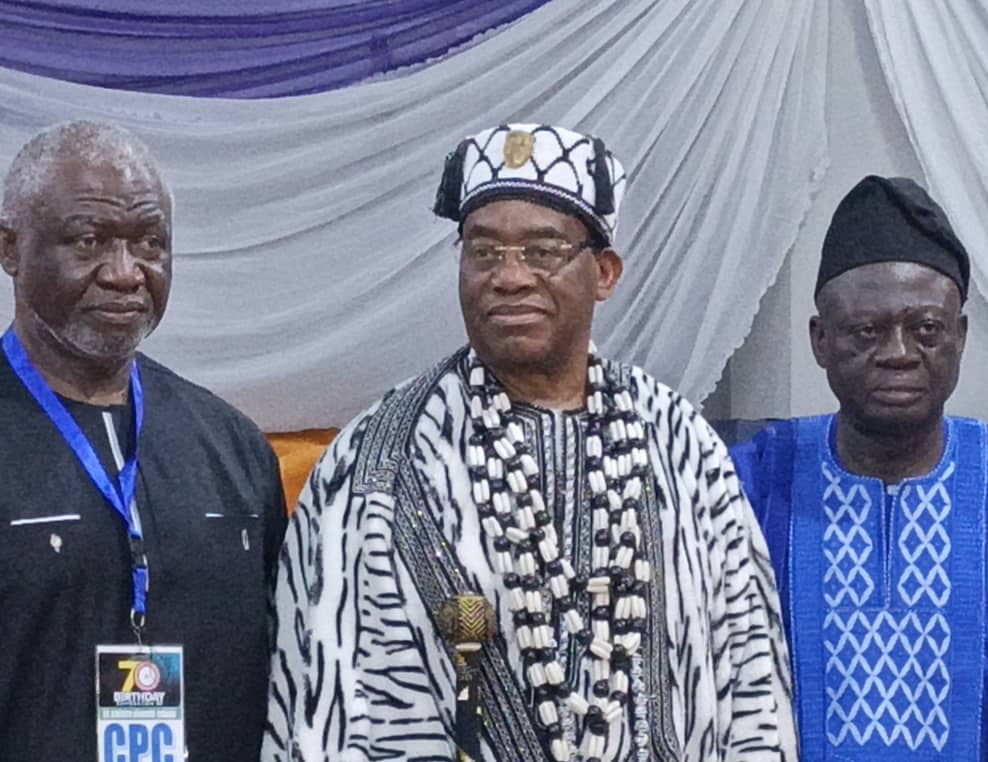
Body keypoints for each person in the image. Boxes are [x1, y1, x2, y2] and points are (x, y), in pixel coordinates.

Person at [264, 123, 798, 761]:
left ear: (603, 272)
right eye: (484, 252)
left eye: (542, 251)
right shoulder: (376, 462)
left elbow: (751, 689)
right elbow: (333, 707)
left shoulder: (682, 449)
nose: (509, 277)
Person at [0, 120, 287, 760]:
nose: (126, 274)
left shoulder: (234, 449)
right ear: (10, 249)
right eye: (89, 240)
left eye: (149, 243)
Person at [731, 175, 988, 761]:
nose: (898, 352)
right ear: (820, 340)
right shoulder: (746, 484)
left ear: (959, 337)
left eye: (926, 329)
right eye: (866, 330)